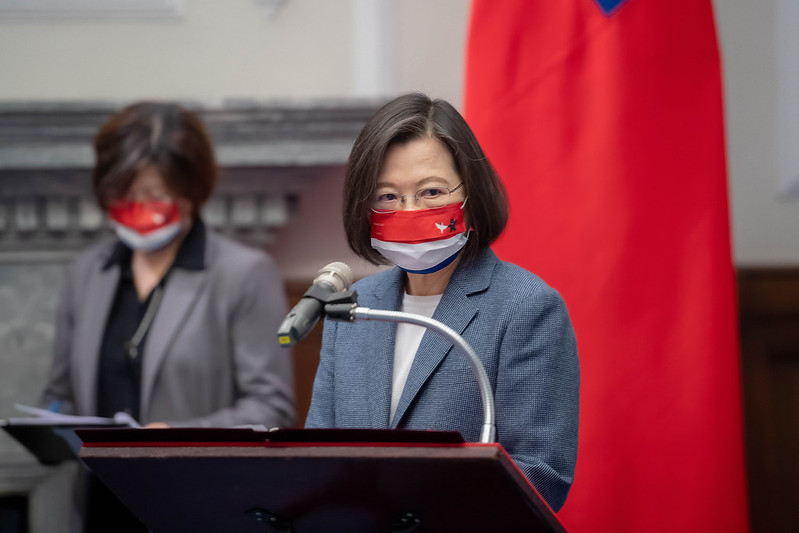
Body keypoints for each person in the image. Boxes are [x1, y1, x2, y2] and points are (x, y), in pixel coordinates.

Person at [305, 93, 579, 511]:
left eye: (431, 191)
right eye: (387, 196)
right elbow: (317, 453)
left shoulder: (526, 307)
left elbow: (541, 475)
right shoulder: (356, 307)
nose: (409, 211)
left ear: (472, 193)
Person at [40, 102, 295, 531]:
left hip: (196, 507)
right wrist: (49, 422)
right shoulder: (88, 272)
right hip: (99, 507)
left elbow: (271, 409)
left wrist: (175, 435)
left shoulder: (244, 273)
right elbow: (59, 392)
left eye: (154, 196)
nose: (138, 208)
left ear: (192, 190)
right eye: (125, 195)